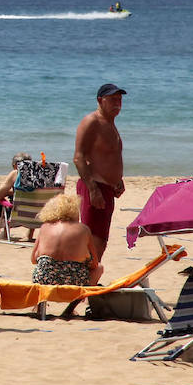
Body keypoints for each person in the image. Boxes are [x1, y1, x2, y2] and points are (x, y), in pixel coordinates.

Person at [74, 83, 126, 260]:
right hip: (95, 187)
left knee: (101, 240)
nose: (117, 103)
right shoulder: (92, 121)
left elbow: (109, 156)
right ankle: (84, 283)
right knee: (93, 240)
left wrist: (118, 179)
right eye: (112, 99)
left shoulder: (110, 124)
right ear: (100, 100)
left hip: (107, 188)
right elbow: (78, 157)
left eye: (119, 99)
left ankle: (90, 282)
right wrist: (92, 189)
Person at [30, 194, 104, 285]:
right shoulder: (83, 229)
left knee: (41, 268)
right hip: (74, 282)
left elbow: (33, 259)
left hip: (44, 279)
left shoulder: (44, 227)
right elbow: (95, 264)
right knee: (99, 268)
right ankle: (81, 298)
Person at [0, 152, 35, 239]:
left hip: (17, 214)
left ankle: (5, 233)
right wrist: (11, 192)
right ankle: (31, 232)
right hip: (36, 216)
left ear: (16, 165)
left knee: (0, 205)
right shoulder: (40, 175)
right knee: (32, 201)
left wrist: (5, 192)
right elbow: (29, 191)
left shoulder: (16, 173)